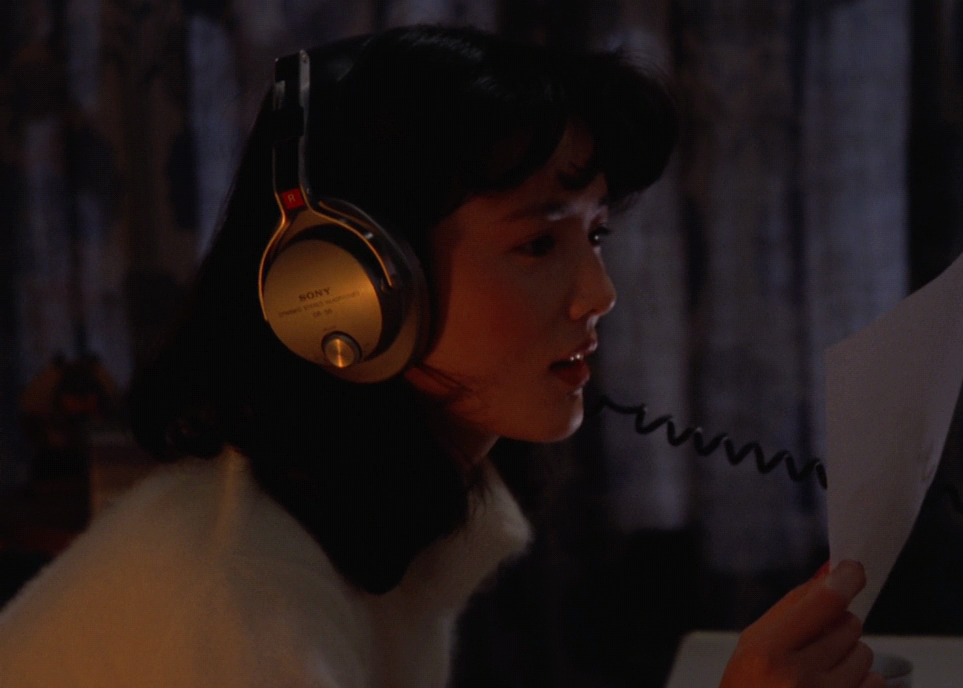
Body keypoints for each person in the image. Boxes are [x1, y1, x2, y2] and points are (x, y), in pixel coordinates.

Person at [0, 24, 883, 688]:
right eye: (538, 245)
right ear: (350, 287)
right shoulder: (236, 600)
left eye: (596, 236)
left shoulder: (369, 521)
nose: (599, 294)